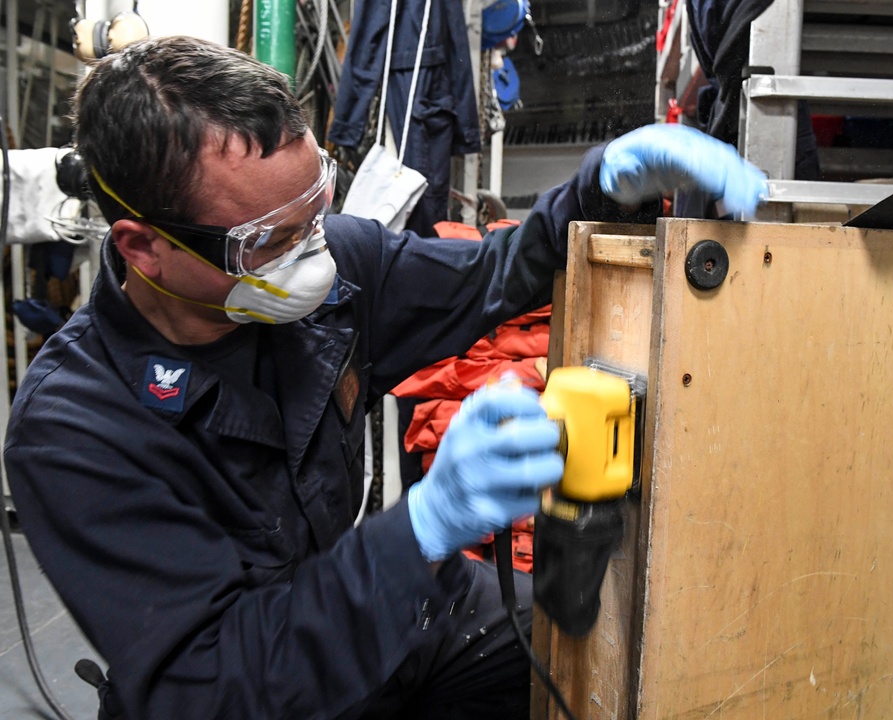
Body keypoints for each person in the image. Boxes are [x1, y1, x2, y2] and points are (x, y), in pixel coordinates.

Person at [3, 36, 767, 720]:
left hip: (388, 617)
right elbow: (217, 682)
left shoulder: (333, 264)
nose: (314, 251)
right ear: (143, 247)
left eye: (316, 209)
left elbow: (493, 276)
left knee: (602, 650)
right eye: (271, 239)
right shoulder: (76, 426)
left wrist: (603, 185)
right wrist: (427, 525)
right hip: (256, 679)